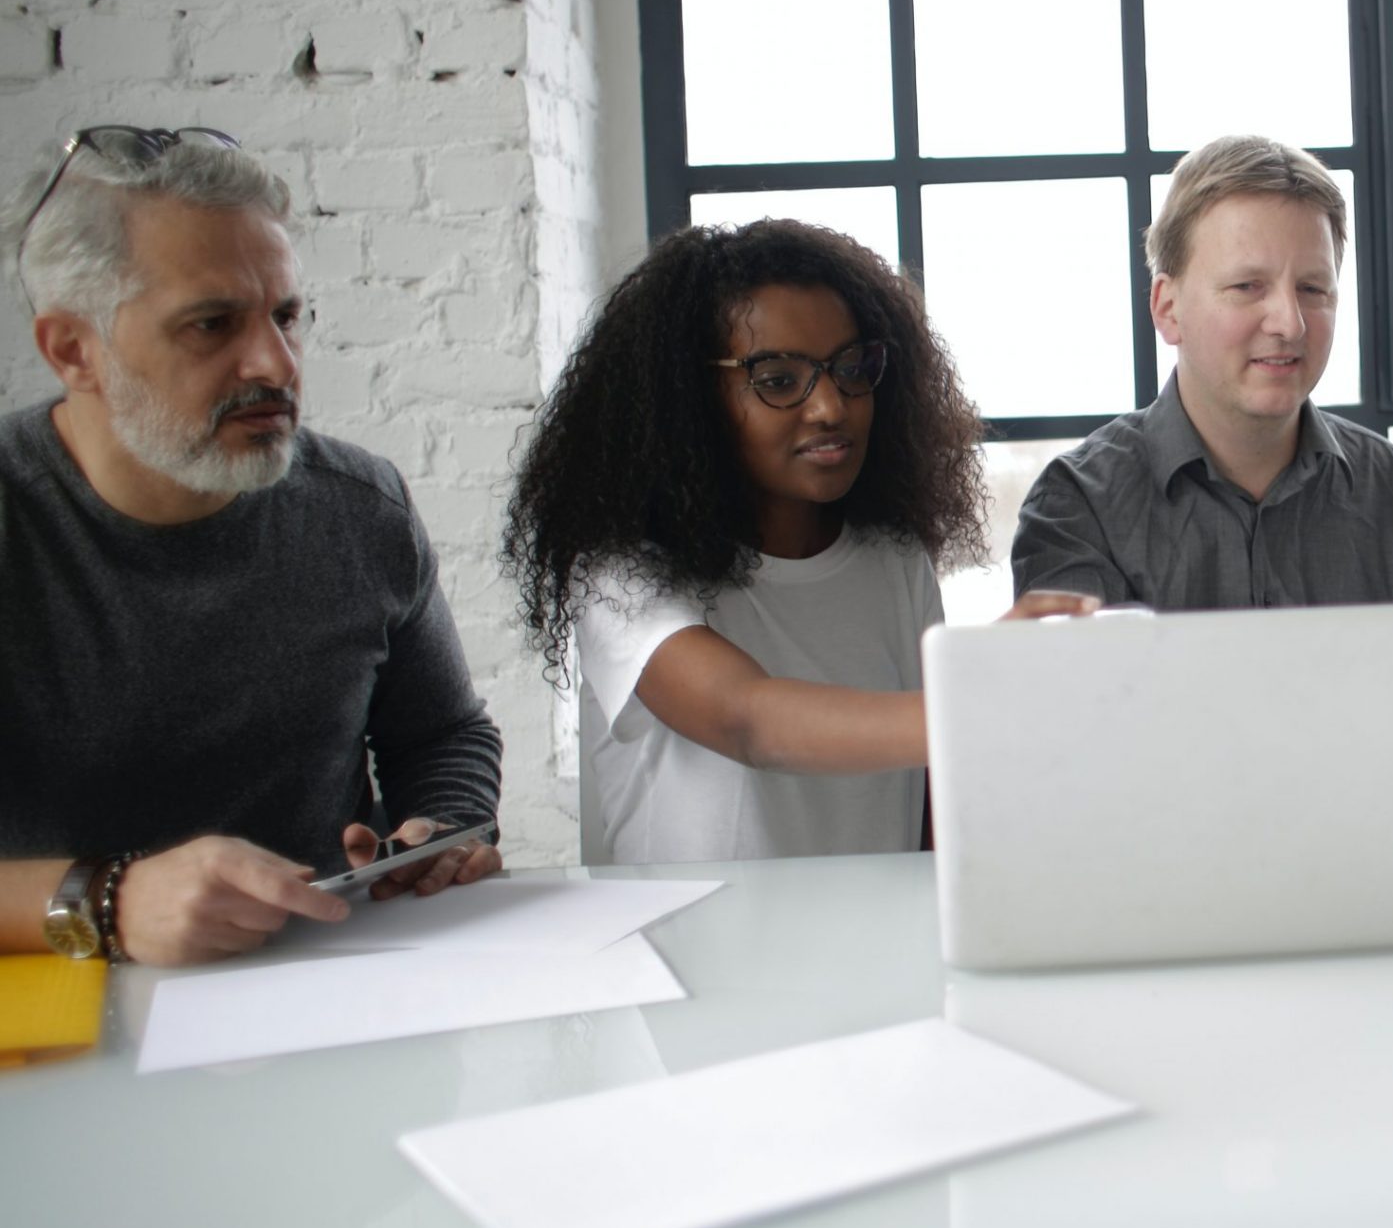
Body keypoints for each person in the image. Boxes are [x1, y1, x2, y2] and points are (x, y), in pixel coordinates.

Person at [1, 126, 503, 967]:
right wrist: (111, 900)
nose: (274, 361)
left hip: (329, 988)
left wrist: (440, 835)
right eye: (211, 324)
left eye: (287, 315)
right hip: (61, 1024)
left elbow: (444, 735)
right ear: (72, 349)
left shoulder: (361, 509)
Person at [504, 218, 1091, 864]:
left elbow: (931, 798)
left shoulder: (893, 558)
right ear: (691, 399)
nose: (831, 407)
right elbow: (746, 719)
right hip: (685, 958)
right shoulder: (623, 573)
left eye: (852, 367)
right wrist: (977, 692)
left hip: (873, 954)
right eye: (779, 379)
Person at [1011, 134, 1393, 609]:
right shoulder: (1078, 507)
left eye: (1313, 288)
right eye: (1247, 286)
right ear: (1167, 308)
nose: (1290, 324)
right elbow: (1082, 684)